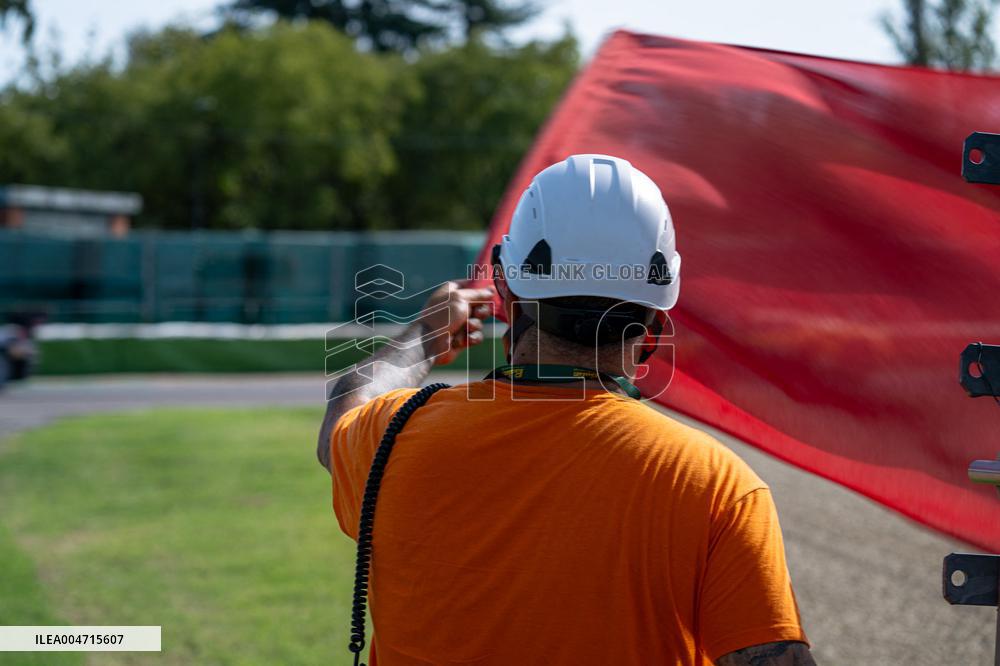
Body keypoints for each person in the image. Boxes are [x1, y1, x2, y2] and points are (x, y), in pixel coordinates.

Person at [318, 154, 815, 665]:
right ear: (657, 317)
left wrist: (422, 338)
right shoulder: (716, 485)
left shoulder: (394, 436)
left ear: (507, 293)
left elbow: (344, 410)